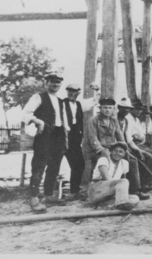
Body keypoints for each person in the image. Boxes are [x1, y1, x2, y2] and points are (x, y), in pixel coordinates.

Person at [22, 74, 70, 212]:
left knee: (54, 167)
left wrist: (65, 138)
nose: (55, 85)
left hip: (59, 136)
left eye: (58, 83)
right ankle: (33, 198)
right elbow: (25, 114)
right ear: (46, 83)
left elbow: (64, 123)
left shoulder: (61, 101)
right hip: (44, 135)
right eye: (52, 82)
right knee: (39, 166)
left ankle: (48, 195)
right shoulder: (38, 97)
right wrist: (38, 121)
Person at [79, 98, 125, 200]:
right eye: (105, 107)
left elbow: (119, 135)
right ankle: (83, 190)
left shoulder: (114, 120)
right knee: (89, 166)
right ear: (100, 108)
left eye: (110, 108)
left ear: (113, 109)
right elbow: (92, 138)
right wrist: (101, 150)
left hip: (108, 147)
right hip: (91, 149)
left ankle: (125, 187)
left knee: (128, 159)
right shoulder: (93, 120)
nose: (107, 110)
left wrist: (124, 147)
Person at [63, 83, 100, 199]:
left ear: (78, 93)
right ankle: (49, 193)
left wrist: (97, 90)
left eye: (74, 92)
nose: (72, 94)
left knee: (79, 164)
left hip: (74, 140)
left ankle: (74, 191)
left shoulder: (80, 104)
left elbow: (95, 101)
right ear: (67, 92)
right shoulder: (61, 104)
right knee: (55, 164)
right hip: (61, 138)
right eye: (70, 91)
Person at [87, 142, 139, 211]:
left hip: (109, 194)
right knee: (124, 181)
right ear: (111, 151)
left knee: (135, 198)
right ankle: (121, 204)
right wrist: (118, 188)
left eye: (121, 152)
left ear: (124, 154)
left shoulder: (125, 163)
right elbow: (106, 177)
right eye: (115, 151)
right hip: (97, 190)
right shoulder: (103, 160)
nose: (117, 153)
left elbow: (123, 181)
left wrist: (121, 193)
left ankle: (108, 204)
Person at [117, 98, 151, 200]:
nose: (126, 111)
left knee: (146, 156)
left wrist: (137, 150)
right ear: (119, 108)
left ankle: (143, 185)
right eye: (124, 108)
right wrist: (126, 150)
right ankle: (135, 190)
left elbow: (128, 139)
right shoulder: (115, 119)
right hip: (115, 147)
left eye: (128, 109)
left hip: (125, 146)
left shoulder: (126, 121)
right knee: (132, 161)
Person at [125, 101, 152, 191]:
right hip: (130, 144)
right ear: (131, 109)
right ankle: (144, 183)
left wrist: (141, 139)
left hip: (138, 143)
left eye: (140, 110)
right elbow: (128, 136)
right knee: (148, 155)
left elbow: (142, 134)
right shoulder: (127, 118)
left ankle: (150, 182)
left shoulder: (136, 119)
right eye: (136, 109)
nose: (139, 112)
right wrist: (137, 144)